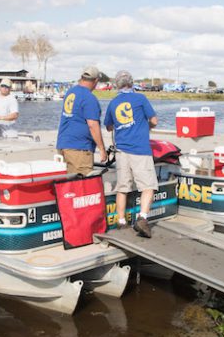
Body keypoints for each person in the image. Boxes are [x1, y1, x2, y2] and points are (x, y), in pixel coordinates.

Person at [104, 71, 158, 238]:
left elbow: (108, 126)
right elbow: (154, 120)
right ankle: (142, 219)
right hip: (140, 149)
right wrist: (145, 126)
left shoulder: (113, 103)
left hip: (121, 151)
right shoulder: (140, 99)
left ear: (117, 85)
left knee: (123, 187)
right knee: (148, 186)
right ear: (131, 83)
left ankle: (121, 222)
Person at [56, 66, 108, 175]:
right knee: (82, 184)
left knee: (68, 185)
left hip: (63, 144)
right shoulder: (89, 98)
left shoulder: (71, 92)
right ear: (96, 81)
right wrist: (102, 149)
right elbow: (93, 125)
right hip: (79, 148)